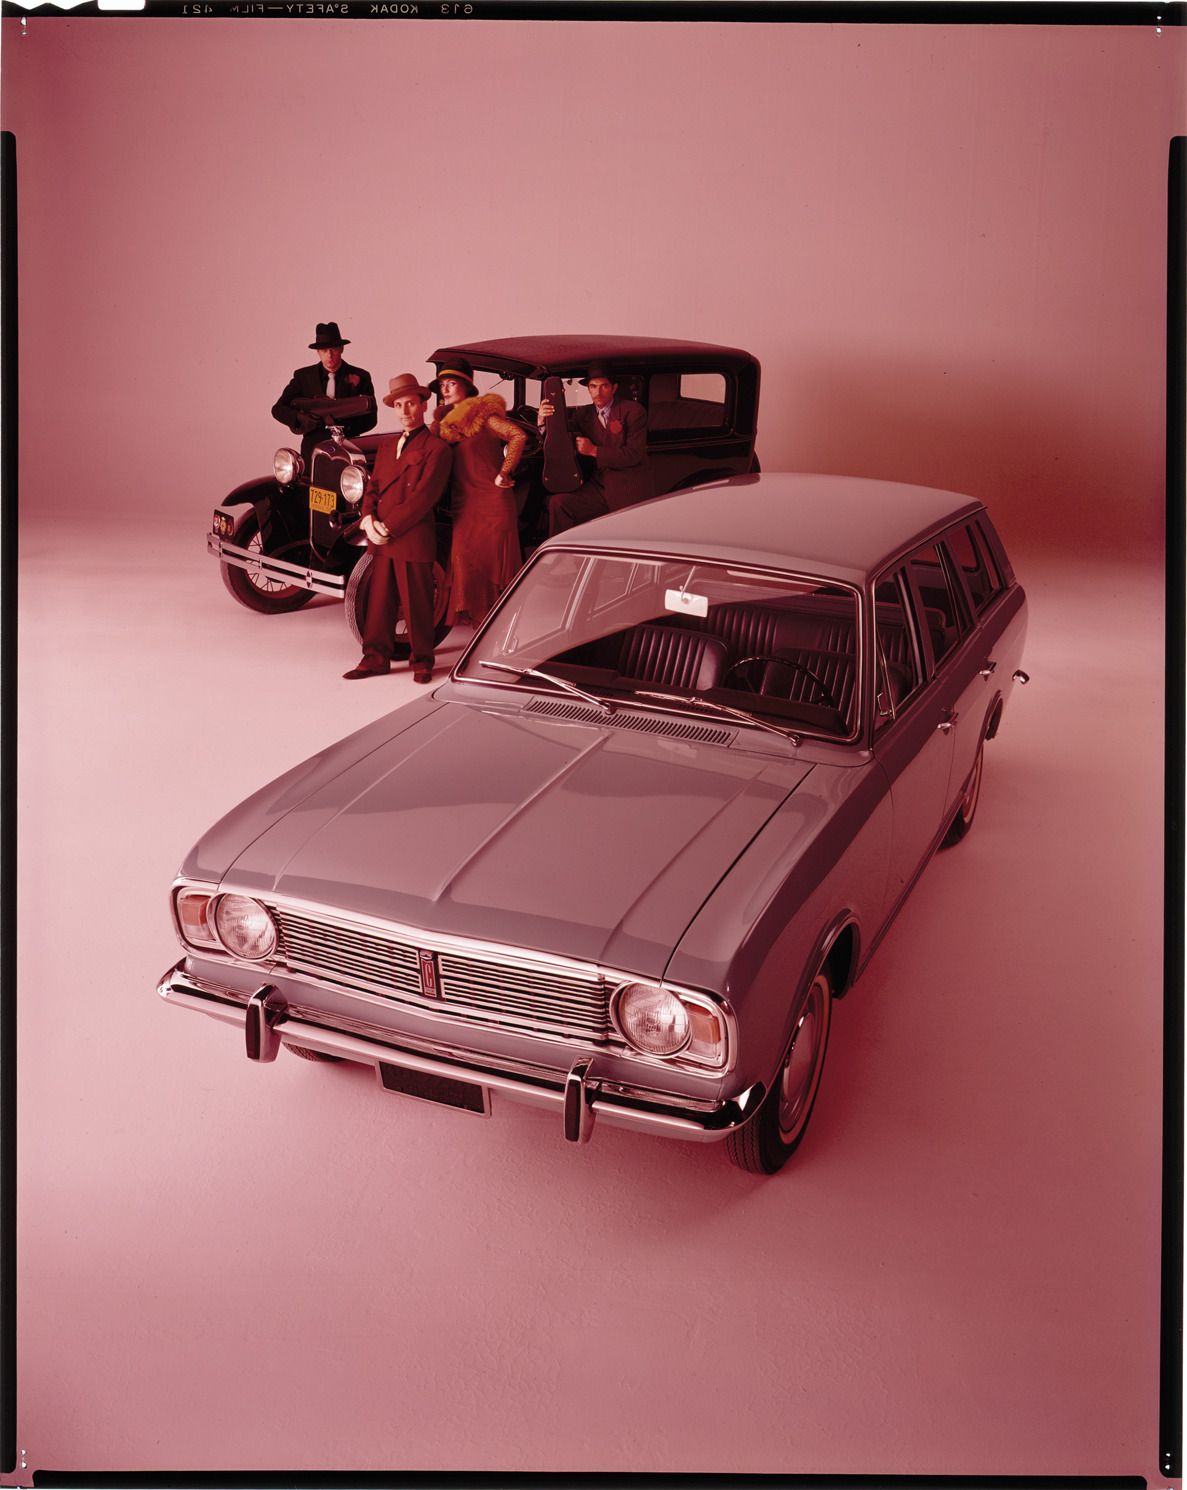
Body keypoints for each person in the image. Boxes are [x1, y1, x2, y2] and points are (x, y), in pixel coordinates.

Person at [343, 373, 451, 685]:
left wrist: (387, 526)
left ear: (424, 405)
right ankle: (374, 659)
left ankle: (422, 662)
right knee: (379, 604)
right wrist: (367, 519)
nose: (405, 411)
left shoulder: (437, 448)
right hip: (382, 536)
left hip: (411, 536)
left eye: (411, 404)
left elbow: (424, 498)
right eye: (399, 405)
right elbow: (373, 487)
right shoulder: (388, 445)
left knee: (418, 604)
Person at [430, 357, 528, 627]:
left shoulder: (482, 414)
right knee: (463, 563)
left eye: (452, 383)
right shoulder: (441, 425)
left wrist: (504, 472)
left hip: (492, 503)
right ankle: (483, 627)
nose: (445, 389)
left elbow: (518, 436)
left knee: (496, 572)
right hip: (463, 505)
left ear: (467, 386)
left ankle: (497, 630)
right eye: (442, 384)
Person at [539, 360, 655, 535]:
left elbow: (633, 455)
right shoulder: (583, 414)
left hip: (628, 487)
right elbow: (560, 438)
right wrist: (542, 422)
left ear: (614, 388)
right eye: (593, 387)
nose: (598, 392)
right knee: (558, 503)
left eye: (604, 386)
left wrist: (594, 451)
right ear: (588, 388)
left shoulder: (634, 411)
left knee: (623, 535)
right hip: (599, 485)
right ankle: (560, 551)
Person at [272, 322, 377, 463]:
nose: (329, 355)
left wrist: (344, 425)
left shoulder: (361, 376)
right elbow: (277, 409)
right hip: (312, 450)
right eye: (324, 350)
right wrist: (300, 418)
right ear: (318, 352)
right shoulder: (303, 376)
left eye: (333, 349)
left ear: (341, 349)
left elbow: (372, 419)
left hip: (349, 448)